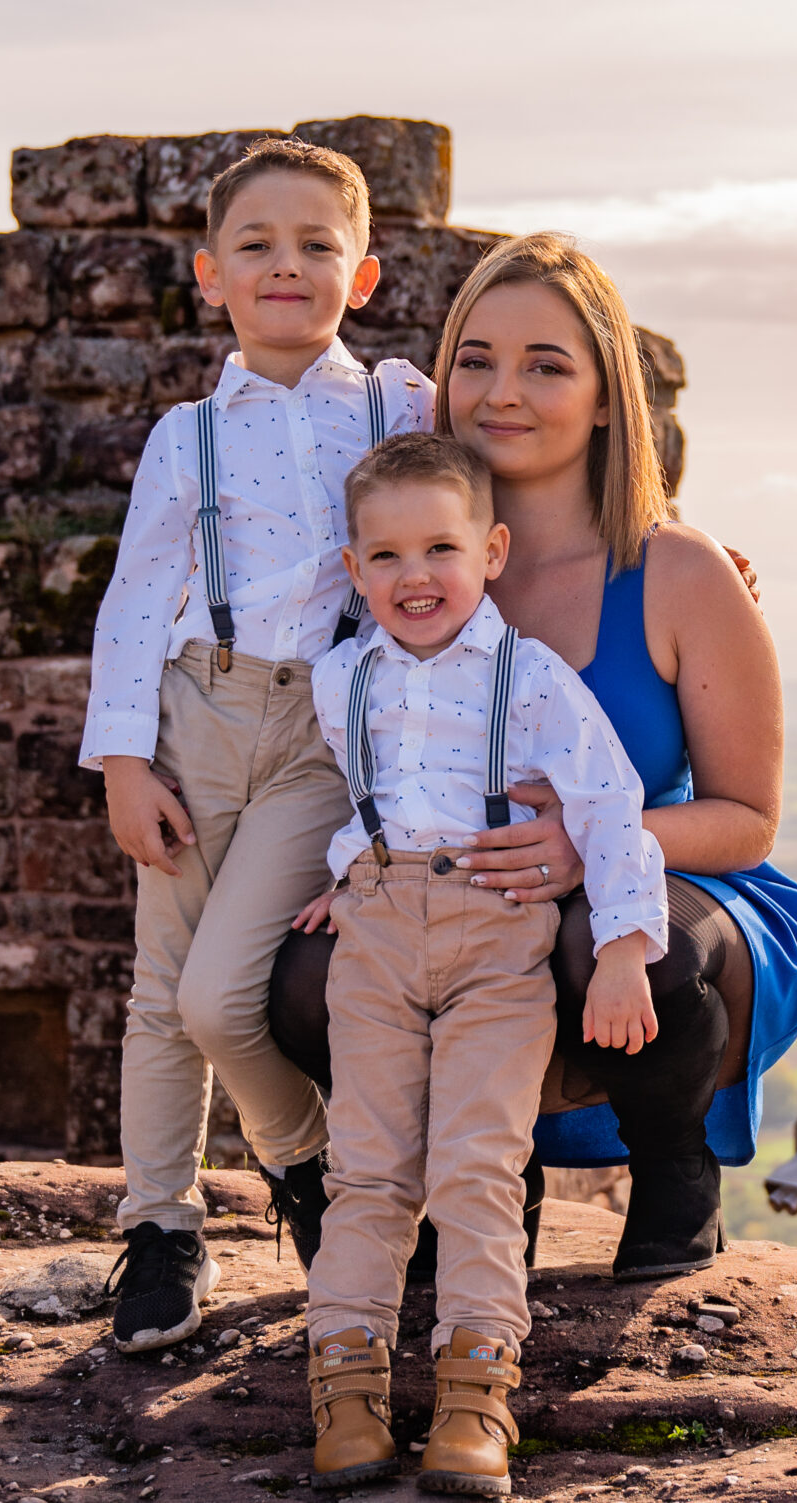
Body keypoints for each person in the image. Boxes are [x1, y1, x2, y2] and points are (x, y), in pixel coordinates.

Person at [270, 231, 797, 1282]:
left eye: (547, 364)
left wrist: (586, 840)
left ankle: (675, 1176)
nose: (502, 391)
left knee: (616, 939)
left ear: (608, 397)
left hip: (675, 887)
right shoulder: (402, 562)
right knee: (307, 977)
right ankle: (483, 1185)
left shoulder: (676, 571)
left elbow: (748, 816)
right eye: (476, 358)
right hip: (454, 895)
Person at [79, 139, 431, 1352]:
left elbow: (524, 479)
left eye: (316, 244)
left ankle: (307, 1167)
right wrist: (125, 759)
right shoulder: (188, 434)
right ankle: (162, 1225)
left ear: (365, 271)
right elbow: (136, 596)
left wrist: (673, 527)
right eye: (257, 245)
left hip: (323, 734)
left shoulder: (398, 403)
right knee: (158, 987)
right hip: (198, 711)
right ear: (209, 273)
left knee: (224, 996)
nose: (288, 265)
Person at [293, 432, 664, 1494]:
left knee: (473, 1164)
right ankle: (347, 1385)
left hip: (495, 935)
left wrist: (625, 949)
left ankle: (475, 1391)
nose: (416, 577)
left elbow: (608, 806)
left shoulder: (531, 677)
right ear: (355, 568)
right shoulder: (340, 680)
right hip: (374, 934)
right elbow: (376, 794)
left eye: (441, 548)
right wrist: (347, 869)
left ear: (491, 550)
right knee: (364, 1165)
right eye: (387, 557)